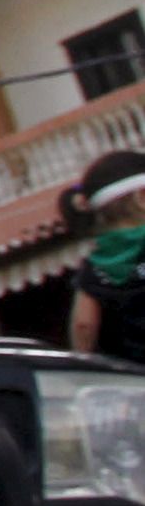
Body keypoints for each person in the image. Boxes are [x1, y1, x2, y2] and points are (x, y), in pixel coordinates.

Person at [68, 152, 145, 363]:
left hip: (132, 380)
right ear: (142, 198)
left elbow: (84, 325)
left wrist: (84, 364)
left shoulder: (95, 266)